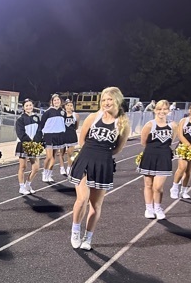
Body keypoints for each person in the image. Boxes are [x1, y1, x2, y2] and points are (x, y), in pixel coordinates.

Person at [68, 86, 131, 250]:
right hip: (86, 159)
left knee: (95, 206)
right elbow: (82, 140)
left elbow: (118, 148)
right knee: (82, 199)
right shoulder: (93, 117)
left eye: (109, 99)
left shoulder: (123, 123)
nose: (106, 102)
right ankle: (75, 230)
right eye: (103, 99)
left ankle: (88, 238)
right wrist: (90, 154)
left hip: (103, 164)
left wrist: (102, 155)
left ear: (117, 100)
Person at [137, 100, 176, 220]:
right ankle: (149, 209)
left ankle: (158, 207)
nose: (162, 111)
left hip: (164, 157)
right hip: (150, 155)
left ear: (169, 111)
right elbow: (143, 142)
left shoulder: (173, 125)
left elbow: (172, 140)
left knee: (158, 187)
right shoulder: (149, 125)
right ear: (155, 110)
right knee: (148, 185)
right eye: (159, 109)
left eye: (165, 109)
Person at [14, 98, 41, 195]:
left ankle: (28, 184)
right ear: (23, 108)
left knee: (36, 167)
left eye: (30, 105)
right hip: (23, 144)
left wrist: (36, 141)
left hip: (34, 144)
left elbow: (39, 131)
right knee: (23, 167)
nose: (29, 107)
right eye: (27, 106)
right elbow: (20, 133)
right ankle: (21, 187)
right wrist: (30, 142)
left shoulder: (36, 118)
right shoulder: (20, 119)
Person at [39, 93, 66, 181]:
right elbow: (42, 124)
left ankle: (49, 174)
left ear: (60, 101)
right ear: (52, 102)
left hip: (58, 136)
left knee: (54, 157)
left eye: (58, 100)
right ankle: (44, 172)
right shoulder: (48, 112)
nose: (56, 101)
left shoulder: (62, 112)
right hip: (49, 136)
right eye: (55, 100)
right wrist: (40, 136)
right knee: (49, 156)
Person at [60, 99, 78, 174]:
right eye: (67, 105)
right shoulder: (61, 114)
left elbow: (76, 126)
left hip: (72, 136)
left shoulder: (75, 115)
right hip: (62, 136)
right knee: (61, 153)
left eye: (71, 105)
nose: (69, 107)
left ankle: (69, 167)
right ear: (65, 106)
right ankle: (61, 168)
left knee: (70, 153)